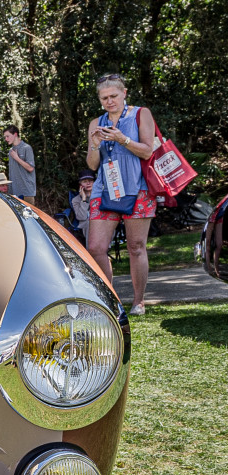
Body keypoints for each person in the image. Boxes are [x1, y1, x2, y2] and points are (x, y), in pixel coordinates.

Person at [85, 73, 157, 315]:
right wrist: (95, 144)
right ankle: (110, 300)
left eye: (114, 96)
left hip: (137, 188)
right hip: (104, 189)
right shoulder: (96, 123)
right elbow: (93, 165)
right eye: (104, 98)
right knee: (95, 247)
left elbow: (147, 152)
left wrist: (122, 139)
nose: (109, 101)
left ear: (124, 93)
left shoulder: (140, 114)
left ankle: (139, 301)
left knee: (136, 246)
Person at [3, 125, 37, 204]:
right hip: (14, 193)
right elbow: (11, 172)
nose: (6, 139)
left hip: (26, 193)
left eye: (8, 136)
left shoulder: (27, 148)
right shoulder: (11, 151)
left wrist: (17, 158)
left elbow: (31, 168)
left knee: (28, 216)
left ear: (15, 134)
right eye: (5, 137)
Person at [71, 169, 95, 242]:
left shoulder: (100, 196)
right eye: (85, 181)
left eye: (90, 181)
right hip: (85, 226)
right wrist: (83, 200)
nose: (88, 183)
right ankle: (91, 252)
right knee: (89, 223)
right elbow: (81, 217)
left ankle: (104, 251)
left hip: (101, 223)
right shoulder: (76, 200)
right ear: (80, 185)